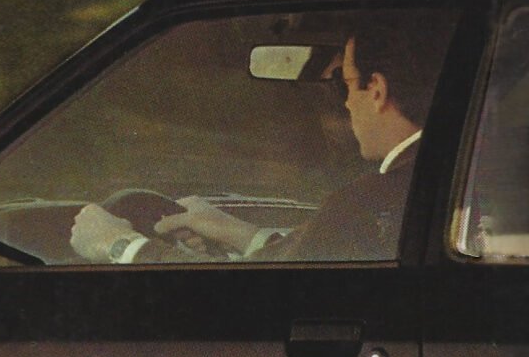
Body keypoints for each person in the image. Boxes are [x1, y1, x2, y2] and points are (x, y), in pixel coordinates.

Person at [68, 24, 437, 264]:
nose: (347, 103)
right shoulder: (436, 187)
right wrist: (236, 232)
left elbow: (246, 297)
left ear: (376, 90)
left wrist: (120, 245)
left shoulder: (370, 202)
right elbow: (301, 266)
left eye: (347, 84)